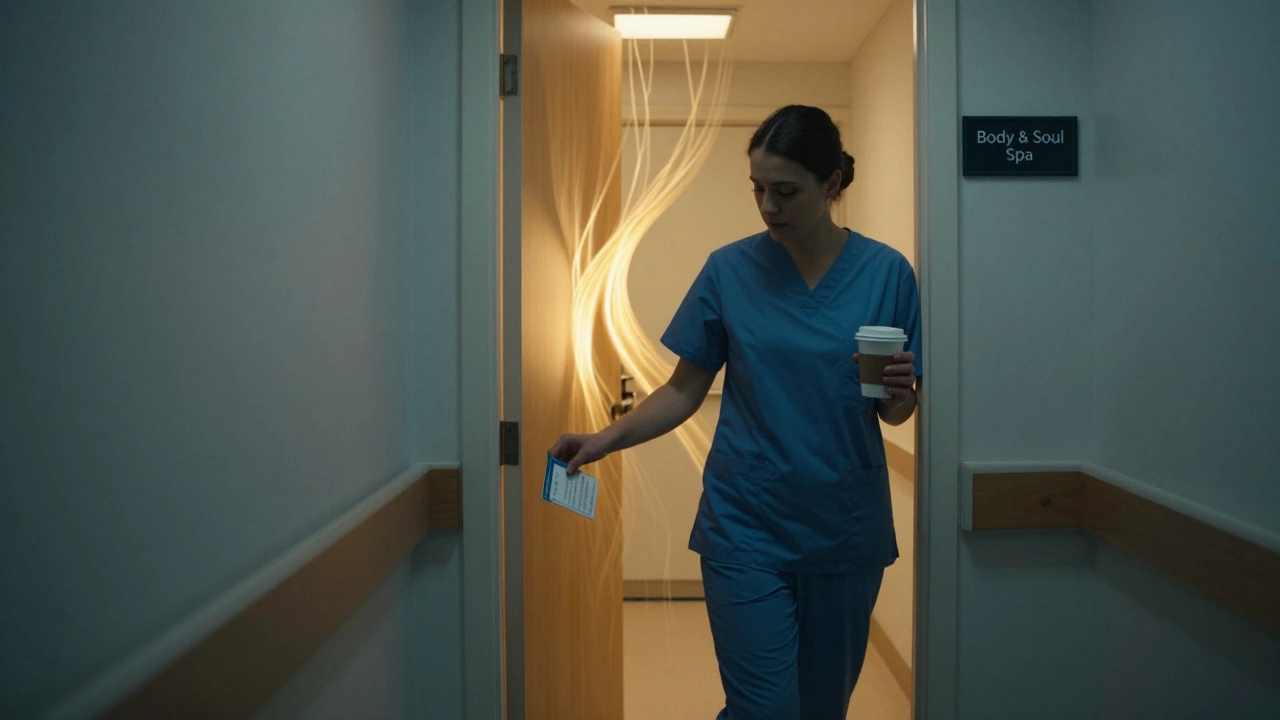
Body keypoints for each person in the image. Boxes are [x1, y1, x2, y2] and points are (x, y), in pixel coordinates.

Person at [550, 104, 921, 720]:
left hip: (844, 528)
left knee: (821, 708)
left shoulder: (887, 274)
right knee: (763, 709)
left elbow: (894, 414)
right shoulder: (731, 270)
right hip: (746, 523)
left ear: (831, 185)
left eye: (785, 191)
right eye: (757, 190)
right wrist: (604, 439)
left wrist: (904, 396)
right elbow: (682, 390)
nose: (768, 207)